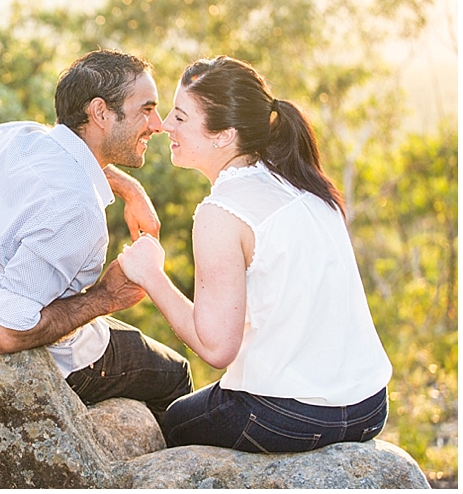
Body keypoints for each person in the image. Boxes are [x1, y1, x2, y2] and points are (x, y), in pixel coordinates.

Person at [117, 55, 393, 452]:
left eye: (180, 116)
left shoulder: (223, 211)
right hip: (369, 407)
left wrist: (150, 274)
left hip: (292, 417)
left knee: (175, 420)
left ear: (223, 135)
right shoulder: (304, 184)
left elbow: (216, 348)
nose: (163, 125)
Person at [0, 49, 193, 429]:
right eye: (146, 108)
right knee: (174, 374)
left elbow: (67, 160)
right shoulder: (77, 212)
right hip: (37, 356)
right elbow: (5, 334)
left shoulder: (11, 136)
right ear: (100, 113)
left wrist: (130, 189)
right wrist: (106, 297)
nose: (158, 124)